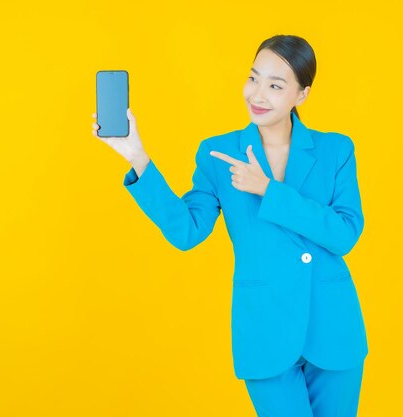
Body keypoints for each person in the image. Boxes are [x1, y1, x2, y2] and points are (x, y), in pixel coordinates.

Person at [92, 34, 368, 417]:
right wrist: (137, 157)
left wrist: (268, 190)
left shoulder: (336, 149)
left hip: (333, 330)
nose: (257, 94)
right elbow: (187, 231)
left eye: (275, 85)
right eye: (253, 78)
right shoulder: (217, 153)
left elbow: (344, 234)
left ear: (301, 96)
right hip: (266, 332)